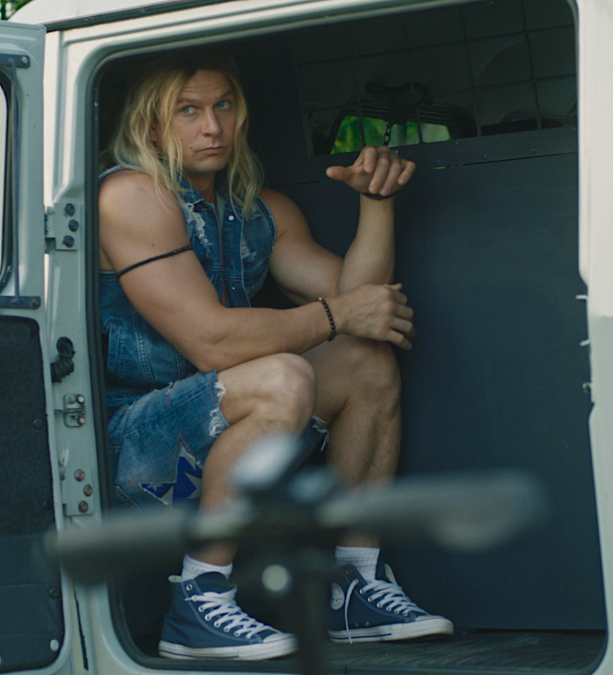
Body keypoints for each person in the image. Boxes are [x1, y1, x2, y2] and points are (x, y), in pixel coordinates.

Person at [98, 54, 452, 661]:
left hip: (226, 432)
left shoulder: (261, 209)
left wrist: (377, 202)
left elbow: (365, 308)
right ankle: (198, 600)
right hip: (130, 453)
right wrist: (339, 315)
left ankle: (354, 586)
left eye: (223, 106)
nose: (213, 127)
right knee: (282, 377)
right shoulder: (130, 195)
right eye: (188, 111)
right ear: (151, 125)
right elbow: (211, 343)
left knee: (366, 361)